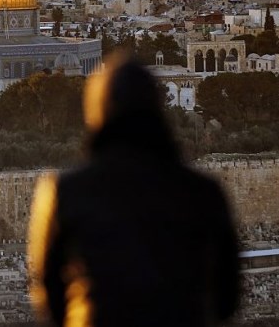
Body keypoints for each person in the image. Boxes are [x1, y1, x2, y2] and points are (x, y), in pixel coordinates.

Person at [28, 53, 239, 327]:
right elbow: (226, 299)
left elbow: (49, 292)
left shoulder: (66, 192)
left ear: (96, 110)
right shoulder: (204, 192)